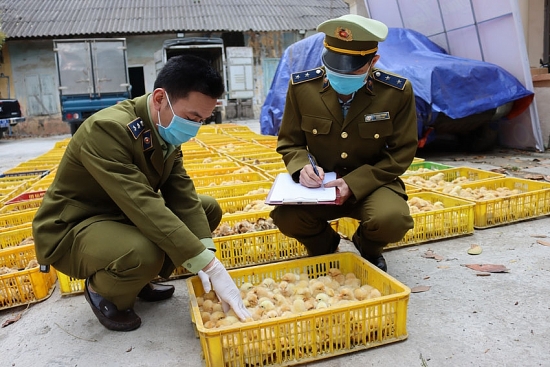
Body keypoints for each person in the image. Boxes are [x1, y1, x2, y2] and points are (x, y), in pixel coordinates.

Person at [32, 55, 250, 331]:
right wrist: (210, 267)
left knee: (206, 209)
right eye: (192, 118)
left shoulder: (163, 127)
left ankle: (138, 279)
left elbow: (181, 190)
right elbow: (142, 203)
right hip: (76, 227)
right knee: (144, 253)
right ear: (160, 98)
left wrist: (206, 249)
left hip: (122, 216)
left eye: (203, 120)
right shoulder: (107, 129)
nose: (194, 129)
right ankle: (104, 292)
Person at [270, 14, 417, 272]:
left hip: (372, 184)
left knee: (393, 219)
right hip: (320, 186)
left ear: (373, 61)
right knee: (286, 217)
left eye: (353, 69)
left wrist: (355, 183)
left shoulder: (396, 92)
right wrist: (301, 167)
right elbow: (290, 142)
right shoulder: (302, 87)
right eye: (334, 67)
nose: (341, 75)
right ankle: (324, 246)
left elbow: (402, 152)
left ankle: (368, 247)